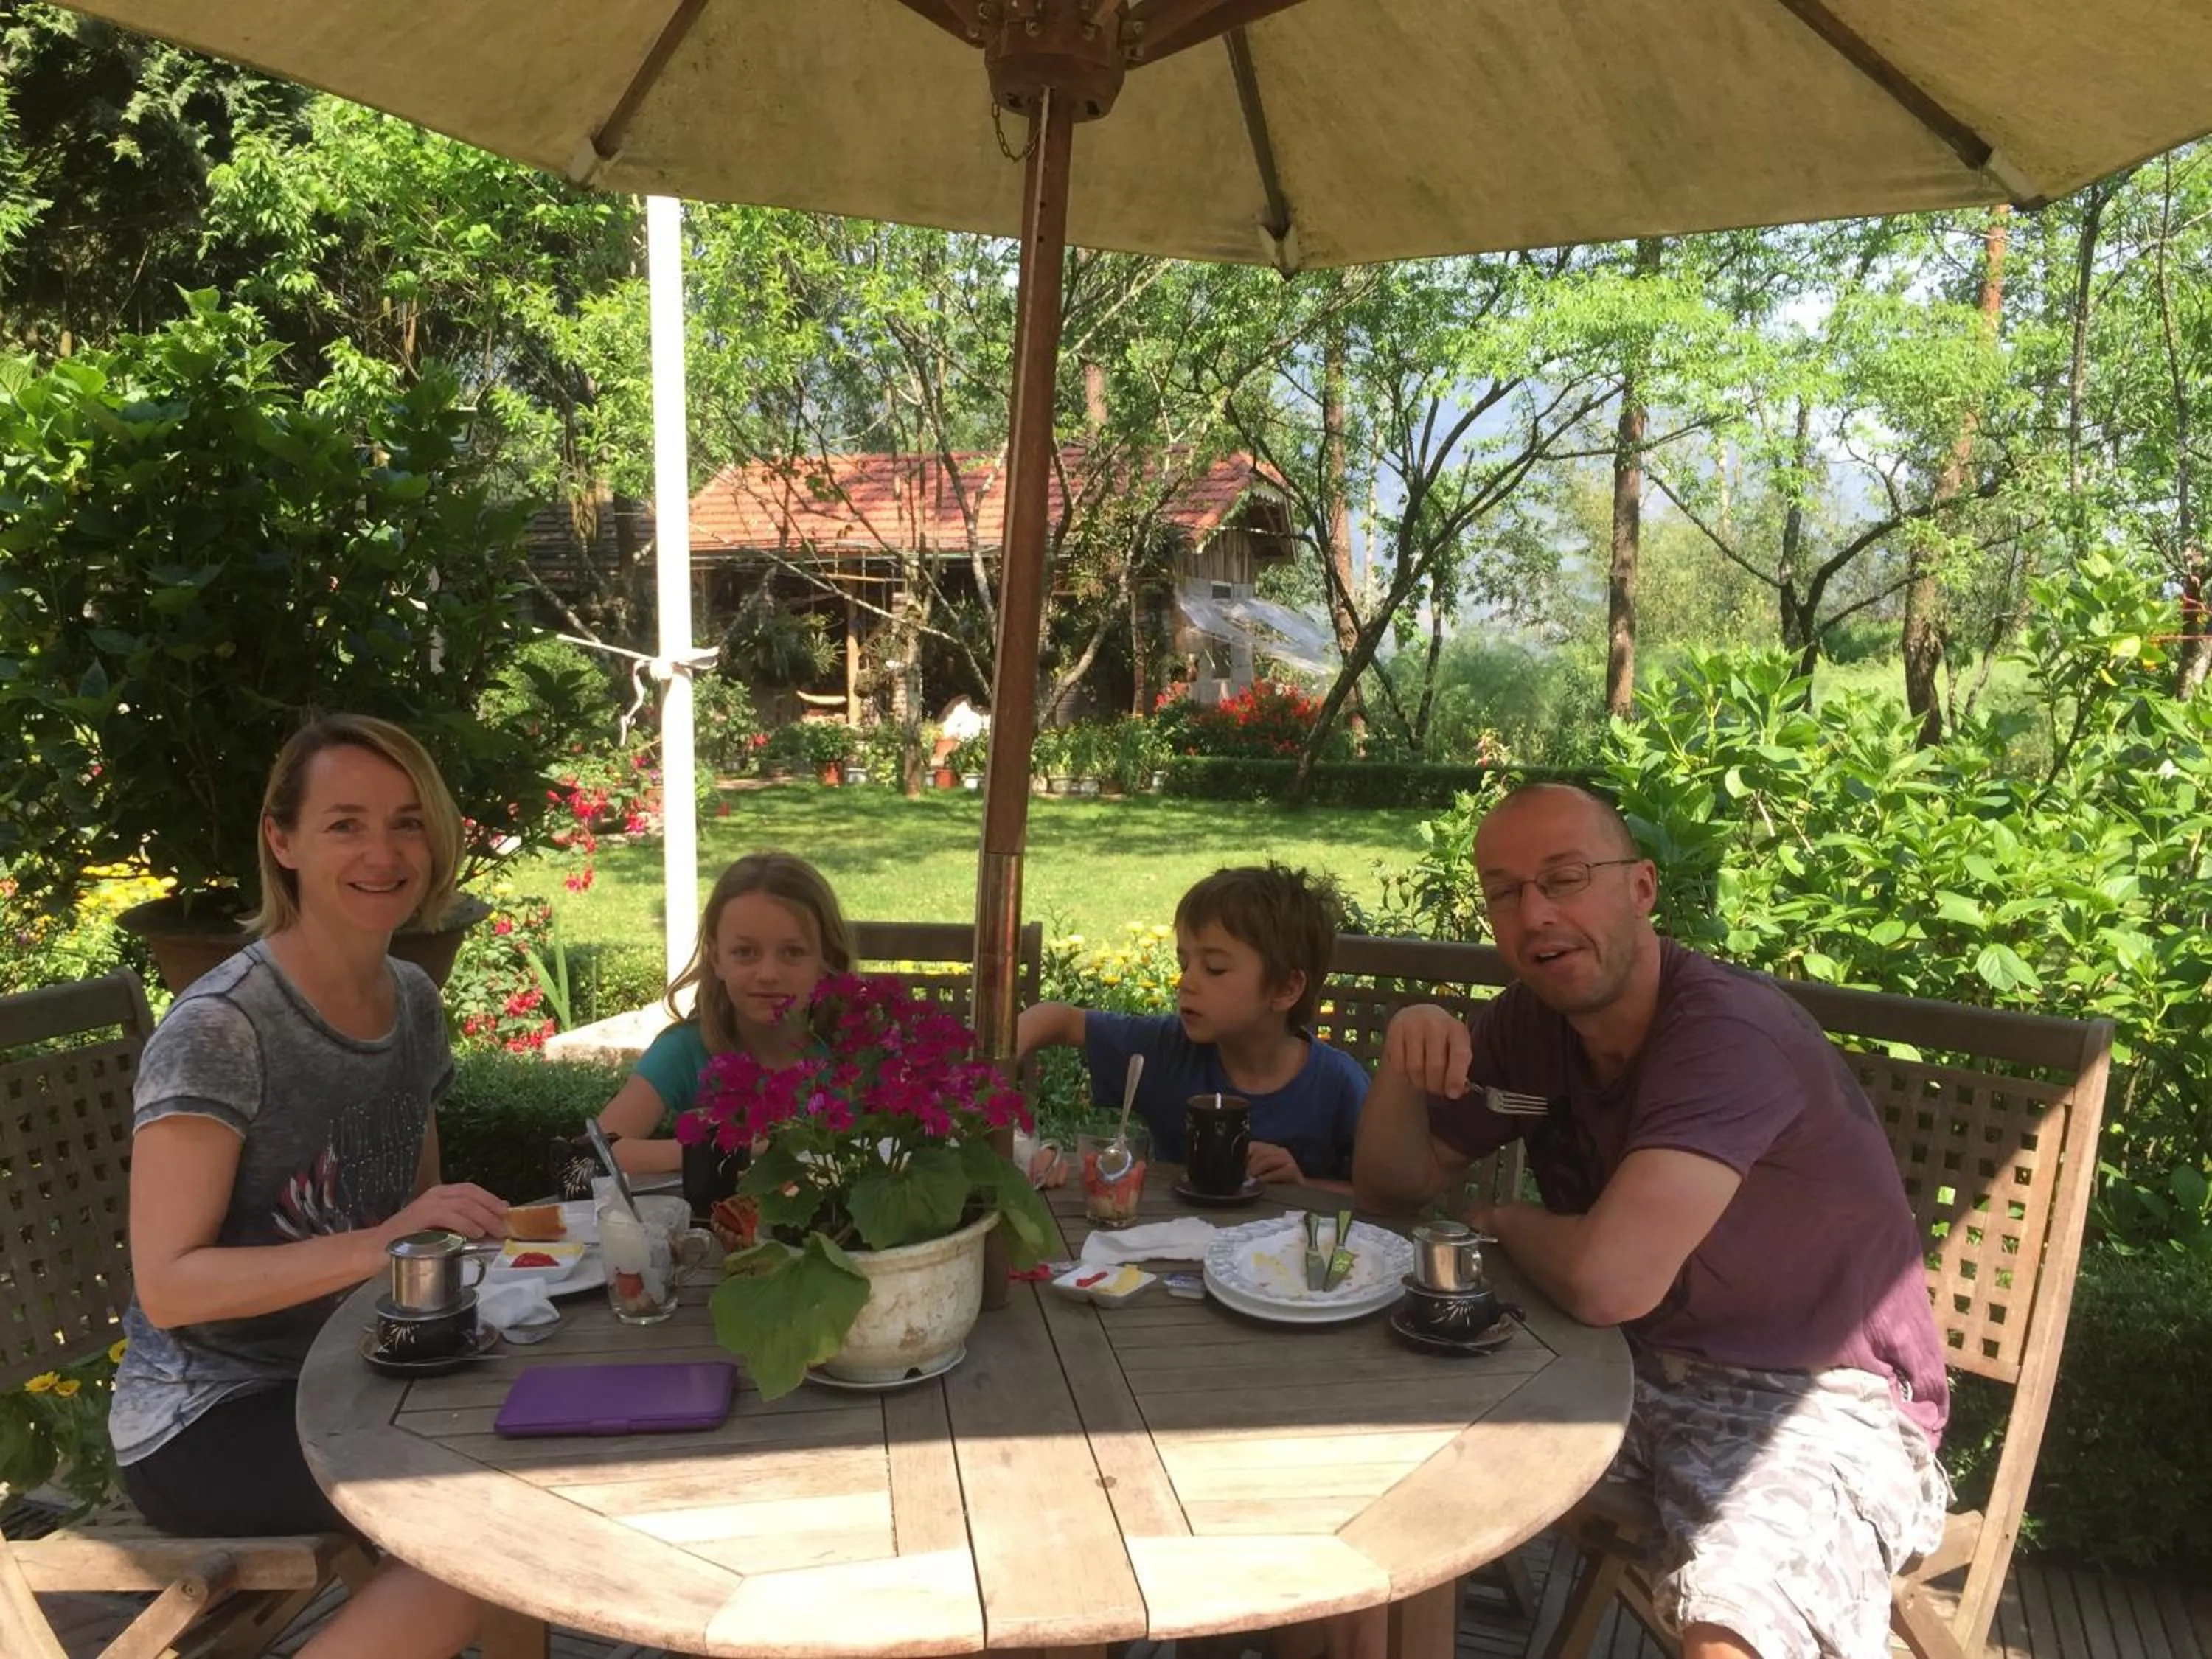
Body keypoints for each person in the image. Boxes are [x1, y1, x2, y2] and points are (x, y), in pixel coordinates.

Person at [1352, 780, 1950, 1659]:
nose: (1535, 914)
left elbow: (1607, 1280)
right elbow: (1392, 1186)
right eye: (1505, 892)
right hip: (1614, 1371)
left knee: (1732, 1625)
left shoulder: (1725, 1036)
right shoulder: (1534, 1024)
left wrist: (1509, 1221)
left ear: (1640, 891)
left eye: (1565, 877)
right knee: (1360, 1457)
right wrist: (1408, 1051)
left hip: (1816, 1397)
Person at [114, 714, 504, 1659]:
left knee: (552, 1444)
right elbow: (168, 1285)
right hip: (206, 1414)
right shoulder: (223, 1030)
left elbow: (420, 1213)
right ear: (281, 841)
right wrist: (388, 1243)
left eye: (408, 822)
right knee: (484, 1532)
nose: (384, 851)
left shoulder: (411, 999)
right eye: (345, 824)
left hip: (354, 1375)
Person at [1017, 863, 1366, 1189]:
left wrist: (1301, 1186)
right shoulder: (1168, 1047)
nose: (1186, 983)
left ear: (1285, 989)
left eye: (1214, 968)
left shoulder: (1339, 1086)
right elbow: (1060, 1020)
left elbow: (1383, 1199)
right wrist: (994, 1059)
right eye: (1185, 964)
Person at [595, 850, 852, 1173]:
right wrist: (720, 1146)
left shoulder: (855, 1055)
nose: (768, 973)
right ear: (716, 958)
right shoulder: (687, 1050)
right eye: (745, 952)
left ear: (826, 960)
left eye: (793, 952)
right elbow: (598, 1151)